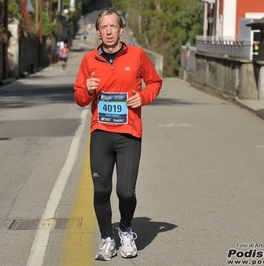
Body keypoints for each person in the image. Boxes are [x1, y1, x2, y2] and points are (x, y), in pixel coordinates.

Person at [74, 7, 162, 261]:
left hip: (129, 133)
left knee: (125, 192)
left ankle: (125, 230)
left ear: (121, 29)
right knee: (101, 191)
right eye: (104, 27)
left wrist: (142, 97)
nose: (109, 31)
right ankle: (106, 239)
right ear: (98, 31)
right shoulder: (89, 60)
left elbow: (155, 82)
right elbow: (79, 97)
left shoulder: (137, 56)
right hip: (101, 133)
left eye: (114, 26)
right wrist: (88, 90)